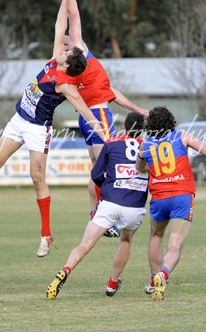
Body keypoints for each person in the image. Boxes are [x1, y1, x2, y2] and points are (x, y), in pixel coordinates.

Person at [0, 0, 106, 258]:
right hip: (18, 120)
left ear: (69, 63)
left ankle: (46, 236)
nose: (65, 46)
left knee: (37, 179)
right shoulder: (54, 58)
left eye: (69, 50)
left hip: (37, 129)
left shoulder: (66, 84)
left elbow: (83, 108)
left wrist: (101, 130)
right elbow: (61, 24)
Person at [63, 0, 148, 236]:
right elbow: (73, 17)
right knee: (100, 171)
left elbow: (73, 15)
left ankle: (103, 215)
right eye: (64, 43)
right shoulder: (70, 66)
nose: (67, 40)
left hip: (93, 117)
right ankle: (103, 216)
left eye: (67, 41)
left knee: (100, 170)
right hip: (92, 118)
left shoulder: (78, 57)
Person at [46, 112, 148, 300]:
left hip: (109, 203)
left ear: (123, 128)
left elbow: (96, 174)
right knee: (126, 240)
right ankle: (112, 284)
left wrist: (107, 188)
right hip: (134, 206)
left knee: (84, 245)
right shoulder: (147, 148)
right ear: (141, 132)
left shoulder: (111, 143)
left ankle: (65, 270)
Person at [136, 106, 206, 301]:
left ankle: (155, 282)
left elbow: (140, 168)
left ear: (149, 125)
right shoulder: (182, 136)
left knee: (155, 236)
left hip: (159, 198)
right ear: (171, 121)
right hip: (181, 197)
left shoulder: (145, 145)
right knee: (175, 245)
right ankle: (164, 274)